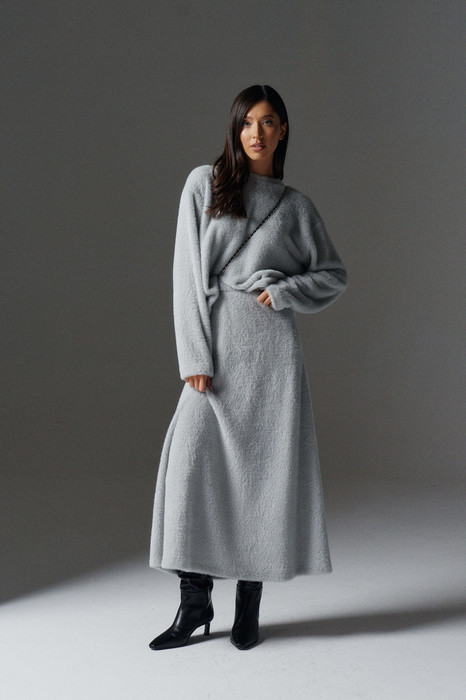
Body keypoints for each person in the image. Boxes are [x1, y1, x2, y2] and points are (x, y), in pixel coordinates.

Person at [148, 84, 348, 651]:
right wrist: (195, 356)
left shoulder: (296, 207)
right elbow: (186, 275)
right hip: (216, 347)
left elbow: (333, 274)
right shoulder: (204, 184)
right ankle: (194, 605)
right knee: (190, 473)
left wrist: (286, 291)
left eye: (267, 122)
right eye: (246, 122)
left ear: (283, 131)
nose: (255, 133)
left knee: (263, 480)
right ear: (235, 130)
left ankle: (248, 607)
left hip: (271, 358)